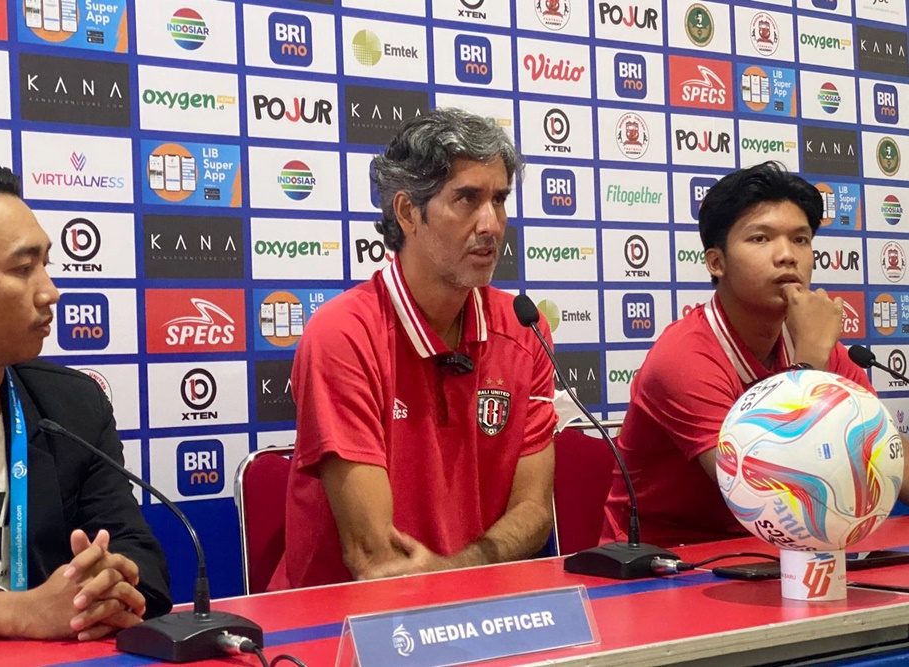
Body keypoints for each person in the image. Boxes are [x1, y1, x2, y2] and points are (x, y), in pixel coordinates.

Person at [269, 108, 557, 590]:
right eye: (467, 199)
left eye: (499, 200)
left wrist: (455, 570)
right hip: (344, 619)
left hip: (476, 606)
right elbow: (374, 559)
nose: (491, 224)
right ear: (407, 212)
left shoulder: (525, 328)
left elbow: (534, 511)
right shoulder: (343, 335)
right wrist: (456, 578)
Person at [0, 162, 171, 643]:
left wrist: (107, 583)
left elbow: (140, 555)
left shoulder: (72, 405)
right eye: (23, 268)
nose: (50, 291)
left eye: (46, 264)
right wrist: (10, 613)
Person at [601, 161, 909, 548]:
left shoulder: (809, 339)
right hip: (672, 562)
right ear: (717, 262)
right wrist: (810, 366)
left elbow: (884, 455)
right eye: (761, 238)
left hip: (783, 552)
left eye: (800, 239)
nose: (787, 255)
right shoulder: (683, 357)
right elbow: (767, 493)